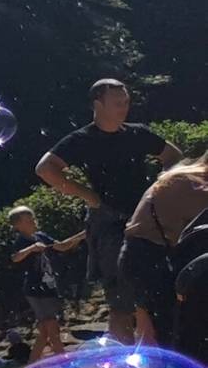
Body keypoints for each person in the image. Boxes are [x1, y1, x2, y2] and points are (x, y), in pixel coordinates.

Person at [38, 80, 182, 343]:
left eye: (126, 102)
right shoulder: (82, 139)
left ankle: (157, 360)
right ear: (97, 104)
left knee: (153, 295)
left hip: (145, 222)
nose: (123, 108)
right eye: (117, 103)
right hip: (109, 225)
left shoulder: (138, 134)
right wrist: (87, 195)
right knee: (121, 302)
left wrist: (160, 187)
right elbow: (46, 169)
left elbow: (174, 156)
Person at [126, 157, 208, 352]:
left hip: (146, 257)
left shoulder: (185, 175)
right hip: (155, 261)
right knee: (173, 337)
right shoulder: (194, 186)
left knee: (161, 336)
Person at [7, 206, 86, 360]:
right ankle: (64, 364)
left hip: (48, 287)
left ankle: (31, 366)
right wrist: (31, 249)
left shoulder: (41, 236)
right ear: (17, 226)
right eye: (28, 221)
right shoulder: (21, 241)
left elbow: (62, 246)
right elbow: (15, 257)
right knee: (52, 326)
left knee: (45, 331)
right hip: (34, 289)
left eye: (33, 219)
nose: (33, 222)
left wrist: (82, 235)